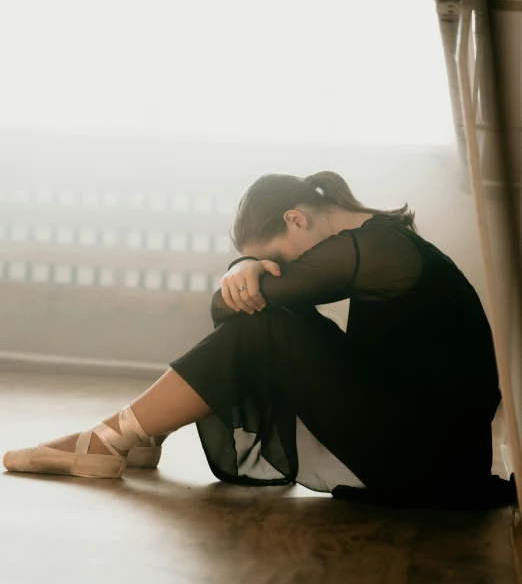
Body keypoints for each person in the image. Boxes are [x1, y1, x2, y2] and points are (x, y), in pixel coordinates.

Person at [2, 171, 514, 509]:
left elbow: (233, 307)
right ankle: (133, 437)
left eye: (280, 258)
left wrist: (246, 273)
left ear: (296, 218)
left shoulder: (378, 249)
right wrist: (247, 266)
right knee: (269, 318)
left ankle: (113, 439)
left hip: (428, 457)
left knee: (268, 322)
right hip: (415, 433)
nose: (282, 268)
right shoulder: (379, 241)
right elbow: (231, 306)